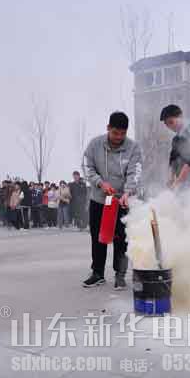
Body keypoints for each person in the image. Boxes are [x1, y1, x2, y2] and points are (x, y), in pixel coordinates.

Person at [83, 111, 142, 290]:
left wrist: (128, 192)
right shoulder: (94, 145)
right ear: (108, 128)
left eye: (123, 134)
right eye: (115, 133)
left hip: (122, 201)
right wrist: (100, 183)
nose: (118, 137)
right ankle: (97, 273)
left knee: (122, 238)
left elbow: (135, 172)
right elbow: (87, 167)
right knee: (98, 237)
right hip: (99, 200)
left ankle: (120, 275)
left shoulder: (133, 148)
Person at [160, 104, 190, 190]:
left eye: (171, 122)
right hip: (185, 186)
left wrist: (178, 182)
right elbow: (172, 160)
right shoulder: (176, 139)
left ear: (180, 117)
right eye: (167, 124)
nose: (170, 127)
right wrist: (171, 178)